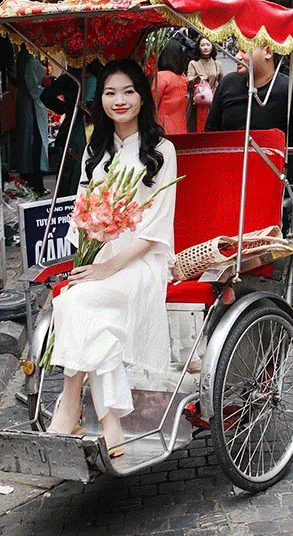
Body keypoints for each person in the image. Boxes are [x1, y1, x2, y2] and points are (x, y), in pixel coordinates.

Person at [46, 59, 178, 458]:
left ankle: (71, 405)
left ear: (142, 98)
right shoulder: (96, 150)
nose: (119, 100)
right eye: (109, 92)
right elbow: (84, 212)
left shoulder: (161, 150)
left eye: (128, 92)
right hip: (103, 259)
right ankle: (110, 425)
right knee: (82, 308)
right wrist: (89, 256)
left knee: (75, 301)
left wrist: (108, 267)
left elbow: (155, 229)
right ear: (99, 99)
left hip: (143, 263)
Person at [205, 43, 293, 211]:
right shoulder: (228, 84)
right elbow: (210, 133)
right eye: (236, 51)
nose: (237, 57)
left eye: (243, 51)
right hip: (230, 184)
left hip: (275, 190)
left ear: (268, 52)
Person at [39, 67, 98, 199]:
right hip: (82, 130)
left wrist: (66, 109)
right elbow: (87, 105)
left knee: (69, 174)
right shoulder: (93, 78)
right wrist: (66, 109)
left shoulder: (68, 78)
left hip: (71, 128)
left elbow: (45, 96)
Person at [13, 48, 50, 194]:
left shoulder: (24, 59)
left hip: (28, 108)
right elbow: (35, 89)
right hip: (33, 109)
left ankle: (34, 185)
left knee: (29, 147)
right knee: (35, 146)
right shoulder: (30, 60)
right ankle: (37, 186)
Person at [152, 39, 189, 136]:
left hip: (164, 126)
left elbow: (153, 103)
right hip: (180, 125)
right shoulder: (182, 77)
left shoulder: (161, 76)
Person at [186, 36, 222, 133]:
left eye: (208, 45)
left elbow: (222, 82)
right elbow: (188, 79)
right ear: (198, 47)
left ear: (212, 47)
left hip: (213, 102)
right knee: (196, 128)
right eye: (202, 45)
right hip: (198, 103)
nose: (205, 47)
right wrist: (196, 79)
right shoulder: (193, 63)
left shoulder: (217, 64)